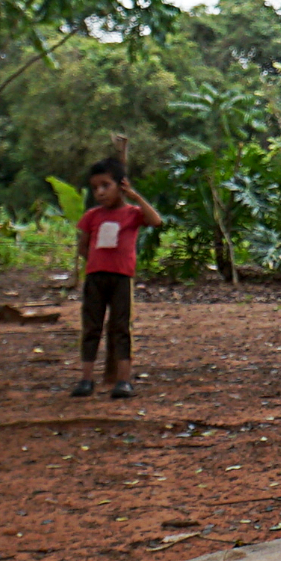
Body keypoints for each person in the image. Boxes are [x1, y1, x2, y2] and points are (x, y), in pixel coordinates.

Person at [72, 157, 161, 400]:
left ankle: (123, 380)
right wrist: (95, 262)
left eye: (105, 186)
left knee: (121, 327)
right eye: (95, 188)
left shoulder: (132, 213)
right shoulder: (92, 216)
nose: (99, 192)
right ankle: (86, 379)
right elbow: (83, 246)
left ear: (120, 186)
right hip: (95, 278)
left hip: (121, 278)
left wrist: (136, 197)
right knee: (92, 327)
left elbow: (155, 220)